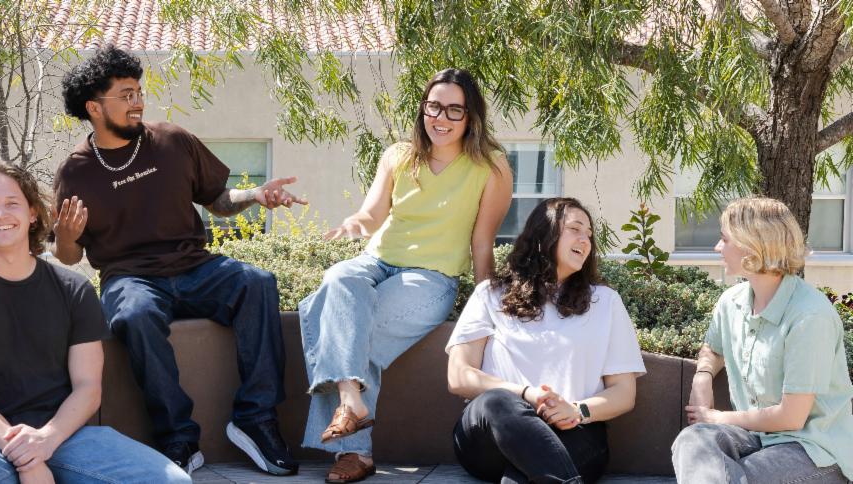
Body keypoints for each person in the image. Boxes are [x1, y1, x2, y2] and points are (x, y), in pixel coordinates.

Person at [51, 44, 303, 476]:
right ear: (94, 107)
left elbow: (218, 200)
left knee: (256, 282)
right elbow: (70, 255)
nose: (138, 102)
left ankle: (256, 420)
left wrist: (255, 196)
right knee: (134, 315)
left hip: (195, 268)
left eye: (139, 93)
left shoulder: (171, 140)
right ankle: (178, 439)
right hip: (129, 277)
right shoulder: (75, 172)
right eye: (126, 95)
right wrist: (67, 237)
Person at [298, 68, 513, 483]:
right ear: (422, 108)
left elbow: (482, 242)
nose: (442, 118)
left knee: (342, 325)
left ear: (471, 117)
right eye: (434, 106)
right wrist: (354, 224)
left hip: (431, 278)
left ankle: (354, 451)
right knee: (339, 277)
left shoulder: (491, 166)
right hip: (377, 261)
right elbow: (373, 213)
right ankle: (350, 401)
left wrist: (487, 308)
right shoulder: (399, 154)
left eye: (454, 110)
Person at [0, 162, 189, 484]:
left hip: (66, 435)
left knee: (172, 481)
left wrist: (45, 440)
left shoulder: (74, 290)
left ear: (33, 213)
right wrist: (26, 456)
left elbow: (88, 388)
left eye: (12, 204)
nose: (1, 214)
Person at [446, 197, 646, 484]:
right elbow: (459, 376)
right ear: (544, 234)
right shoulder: (490, 295)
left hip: (574, 432)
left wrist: (578, 411)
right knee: (497, 402)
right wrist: (526, 394)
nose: (585, 240)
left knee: (527, 473)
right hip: (491, 436)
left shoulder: (606, 302)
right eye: (575, 229)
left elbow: (624, 393)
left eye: (589, 234)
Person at [671, 197, 853, 484]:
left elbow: (791, 418)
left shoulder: (810, 315)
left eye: (724, 240)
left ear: (751, 245)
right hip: (754, 437)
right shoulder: (731, 302)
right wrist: (702, 377)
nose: (717, 248)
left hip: (814, 450)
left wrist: (717, 418)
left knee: (741, 476)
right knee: (693, 441)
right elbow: (712, 348)